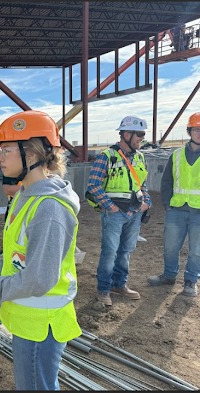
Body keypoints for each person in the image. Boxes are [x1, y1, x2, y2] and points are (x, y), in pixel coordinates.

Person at [0, 110, 81, 391]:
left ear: (30, 155)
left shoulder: (49, 208)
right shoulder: (24, 196)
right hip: (28, 321)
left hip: (41, 325)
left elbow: (38, 279)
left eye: (6, 149)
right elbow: (14, 255)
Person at [86, 115, 151, 306]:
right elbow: (93, 185)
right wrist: (110, 206)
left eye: (143, 134)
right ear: (126, 134)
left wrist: (147, 201)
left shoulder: (140, 157)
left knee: (126, 251)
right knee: (110, 252)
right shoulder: (106, 156)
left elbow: (142, 183)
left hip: (135, 212)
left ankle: (119, 285)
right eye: (139, 134)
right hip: (114, 214)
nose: (142, 138)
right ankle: (104, 290)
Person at [147, 112, 200, 296]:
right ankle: (169, 275)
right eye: (196, 129)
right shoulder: (176, 155)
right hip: (176, 210)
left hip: (198, 212)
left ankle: (191, 280)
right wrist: (167, 204)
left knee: (196, 250)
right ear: (189, 131)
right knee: (170, 247)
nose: (199, 133)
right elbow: (167, 181)